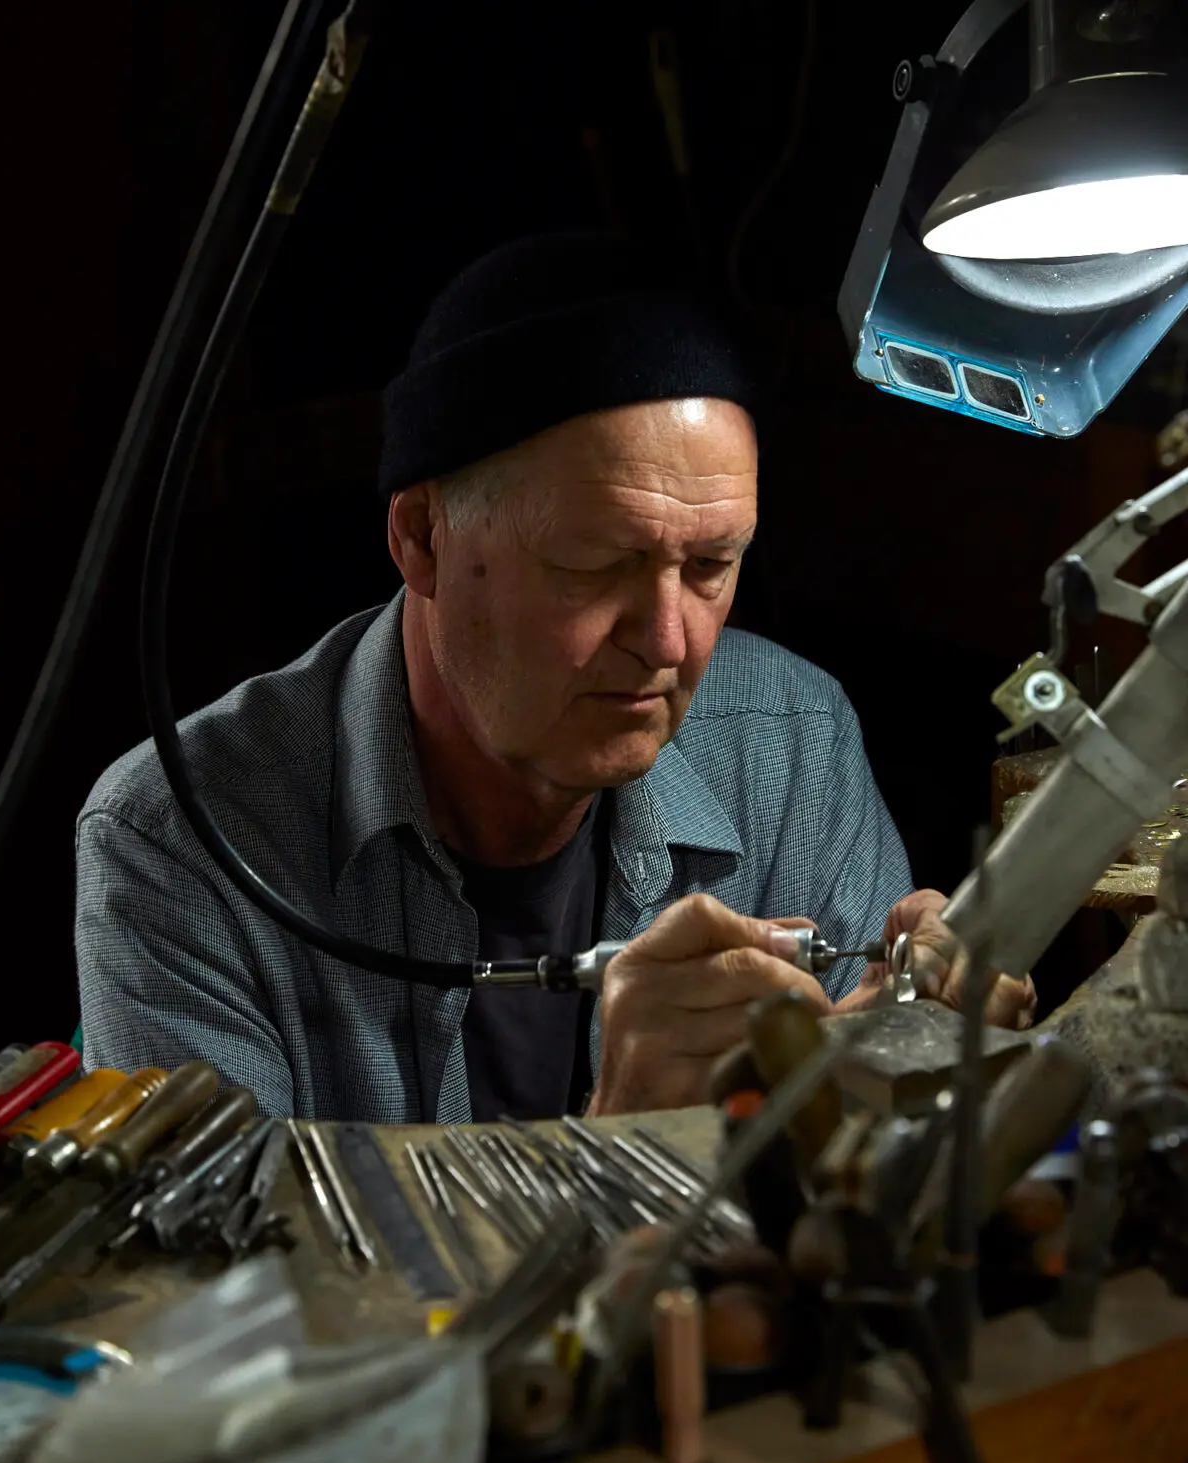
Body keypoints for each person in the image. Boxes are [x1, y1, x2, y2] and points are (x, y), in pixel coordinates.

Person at [74, 234, 1034, 1121]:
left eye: (711, 566)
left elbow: (848, 1193)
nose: (667, 640)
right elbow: (238, 1258)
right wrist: (633, 1139)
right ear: (423, 539)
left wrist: (896, 1077)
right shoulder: (177, 846)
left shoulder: (791, 741)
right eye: (595, 565)